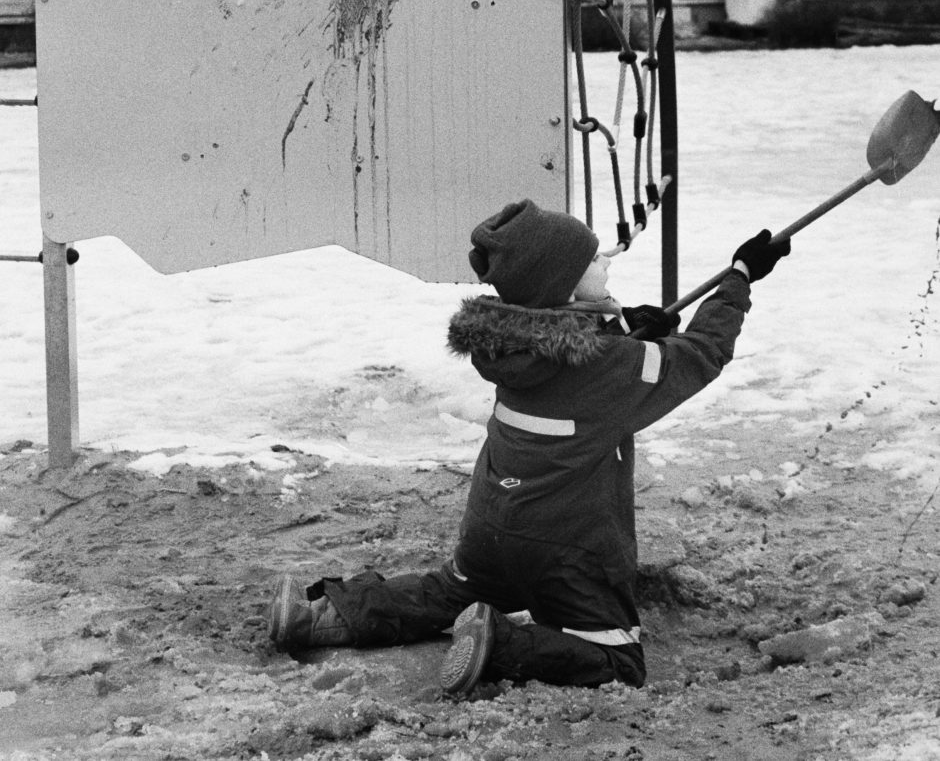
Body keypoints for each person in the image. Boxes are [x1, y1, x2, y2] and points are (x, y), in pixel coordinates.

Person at [266, 198, 790, 698]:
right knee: (618, 663)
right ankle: (500, 643)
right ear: (564, 285)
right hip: (562, 551)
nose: (605, 257)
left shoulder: (509, 347)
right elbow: (700, 353)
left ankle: (319, 616)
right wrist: (738, 278)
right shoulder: (610, 367)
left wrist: (624, 327)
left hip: (492, 528)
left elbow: (565, 341)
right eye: (591, 257)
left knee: (448, 592)